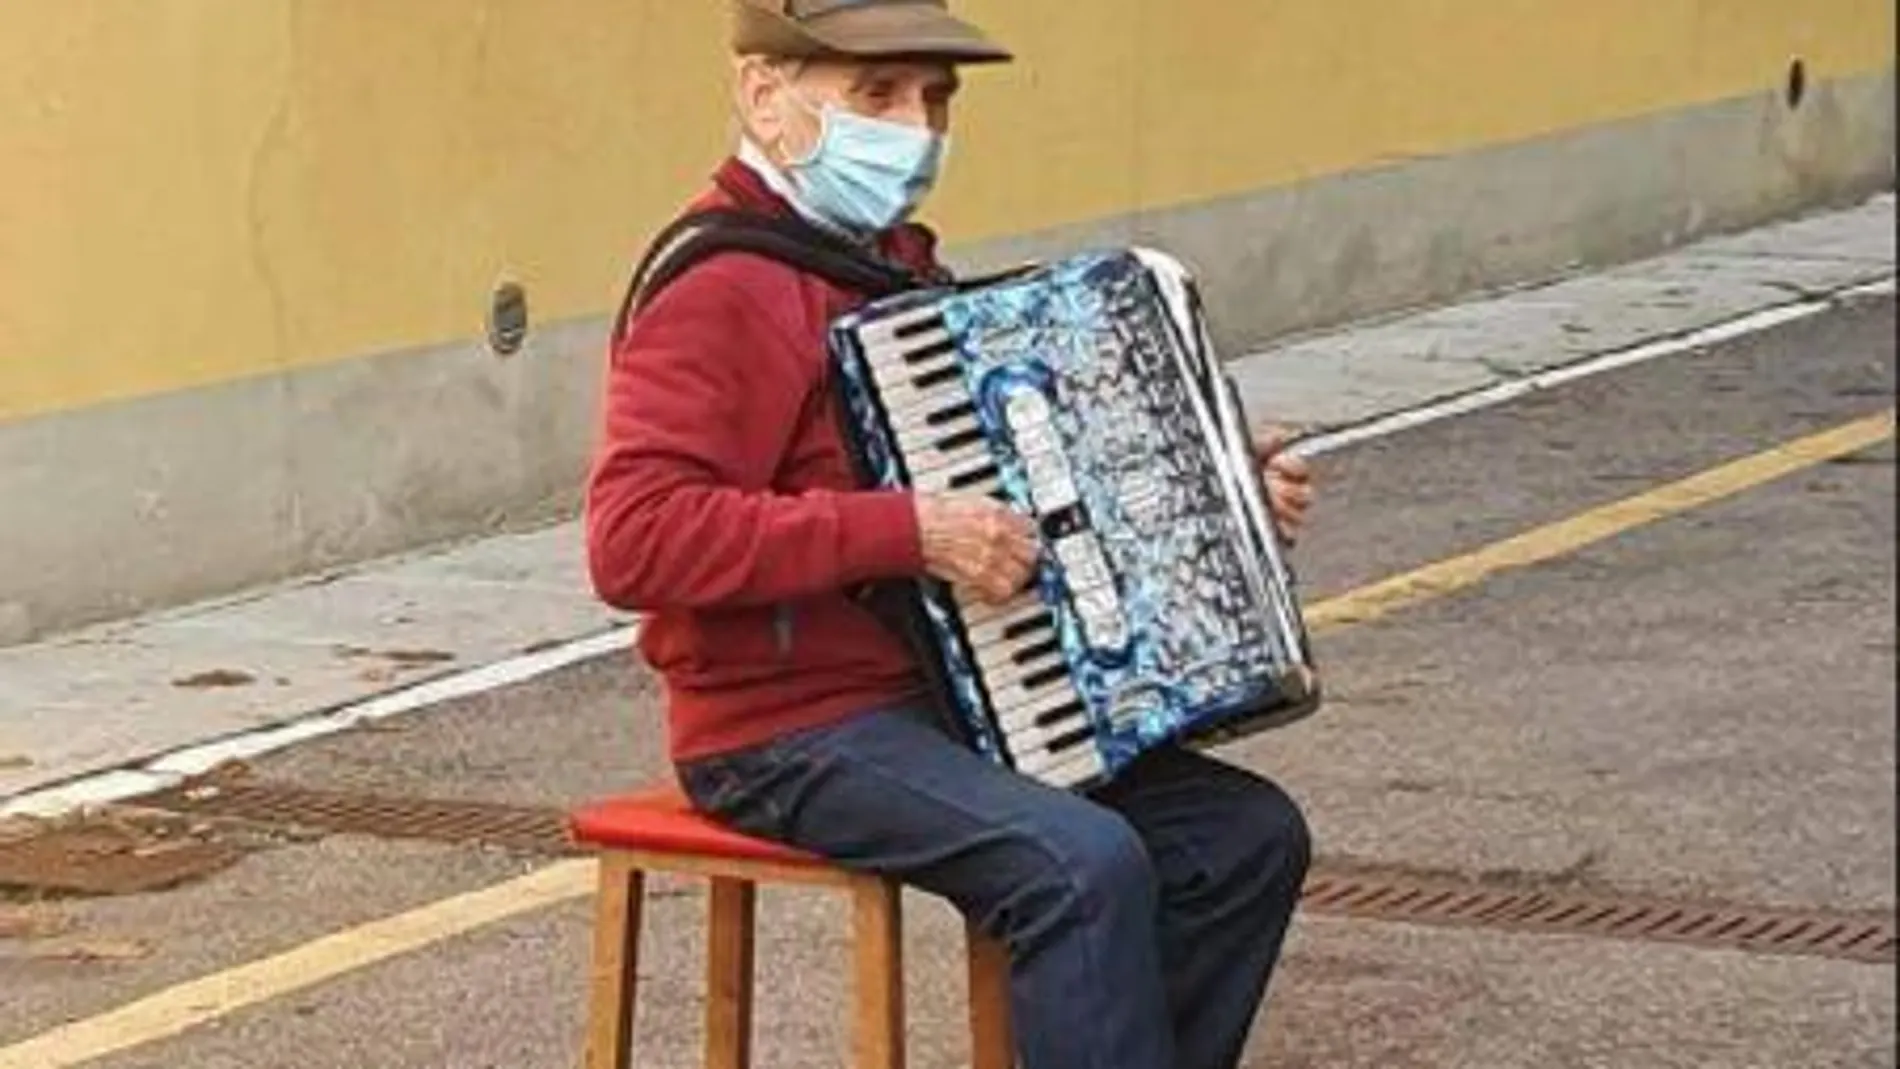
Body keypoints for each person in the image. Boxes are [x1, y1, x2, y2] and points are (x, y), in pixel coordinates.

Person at [586, 3, 1316, 1066]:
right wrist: (905, 530)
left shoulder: (887, 268)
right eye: (875, 96)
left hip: (935, 697)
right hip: (780, 730)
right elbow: (635, 538)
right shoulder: (722, 283)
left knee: (1241, 838)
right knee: (1079, 865)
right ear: (763, 95)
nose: (915, 129)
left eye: (933, 99)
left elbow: (1023, 481)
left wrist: (1221, 490)